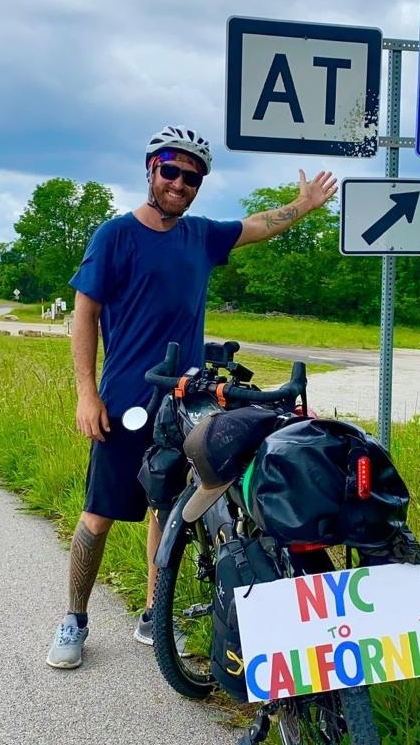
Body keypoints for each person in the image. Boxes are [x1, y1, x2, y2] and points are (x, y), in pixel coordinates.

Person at [46, 125, 337, 669]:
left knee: (172, 509)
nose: (181, 183)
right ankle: (75, 618)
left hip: (186, 403)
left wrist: (302, 205)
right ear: (151, 170)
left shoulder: (200, 236)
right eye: (172, 171)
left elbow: (256, 226)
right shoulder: (114, 236)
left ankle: (155, 614)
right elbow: (84, 314)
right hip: (125, 403)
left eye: (193, 176)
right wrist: (87, 394)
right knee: (99, 515)